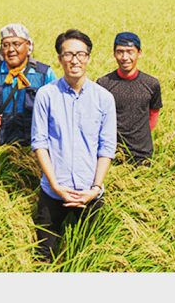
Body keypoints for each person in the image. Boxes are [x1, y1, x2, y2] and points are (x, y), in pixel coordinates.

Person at [31, 29, 116, 262]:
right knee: (43, 257)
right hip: (53, 193)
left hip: (89, 193)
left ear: (88, 57)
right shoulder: (46, 95)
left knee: (89, 257)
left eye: (80, 54)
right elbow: (40, 143)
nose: (74, 60)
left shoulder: (104, 98)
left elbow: (106, 148)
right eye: (68, 54)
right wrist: (56, 186)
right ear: (59, 59)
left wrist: (96, 188)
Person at [0, 23, 56, 147]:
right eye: (6, 45)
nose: (11, 50)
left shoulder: (43, 73)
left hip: (33, 148)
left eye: (16, 44)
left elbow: (55, 109)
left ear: (28, 46)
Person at [97, 31, 162, 165]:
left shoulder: (151, 84)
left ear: (139, 53)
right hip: (111, 153)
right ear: (114, 53)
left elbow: (154, 114)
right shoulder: (103, 84)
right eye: (120, 52)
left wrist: (140, 136)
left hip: (142, 153)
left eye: (130, 52)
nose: (125, 57)